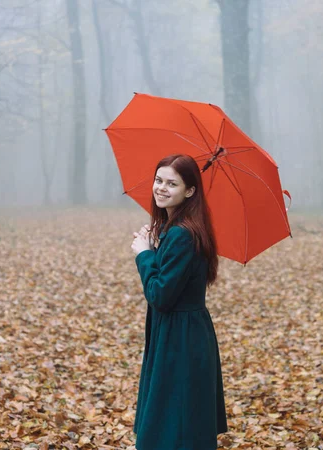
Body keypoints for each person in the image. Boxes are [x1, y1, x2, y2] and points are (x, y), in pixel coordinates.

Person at [130, 154, 228, 450]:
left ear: (190, 191)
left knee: (175, 425)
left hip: (181, 339)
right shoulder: (179, 230)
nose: (161, 188)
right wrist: (157, 246)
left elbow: (160, 295)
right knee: (174, 420)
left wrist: (144, 254)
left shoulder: (183, 234)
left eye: (172, 183)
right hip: (178, 332)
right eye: (159, 180)